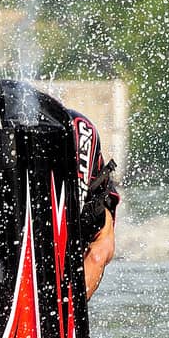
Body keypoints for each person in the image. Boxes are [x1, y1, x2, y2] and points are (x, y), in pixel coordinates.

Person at [68, 110, 119, 297]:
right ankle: (68, 315)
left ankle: (69, 312)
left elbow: (98, 256)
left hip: (89, 203)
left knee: (101, 251)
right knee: (101, 250)